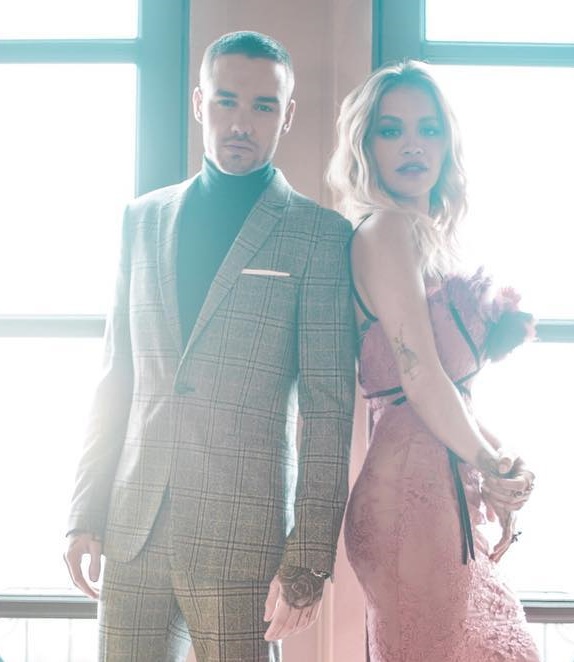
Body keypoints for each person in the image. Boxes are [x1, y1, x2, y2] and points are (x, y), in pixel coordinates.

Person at [63, 31, 356, 662]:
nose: (241, 122)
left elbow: (328, 411)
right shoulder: (141, 220)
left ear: (287, 114)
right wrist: (85, 511)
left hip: (242, 540)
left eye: (262, 105)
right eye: (226, 100)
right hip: (133, 526)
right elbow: (116, 377)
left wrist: (308, 560)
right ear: (200, 102)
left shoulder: (320, 236)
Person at [327, 60, 541, 661]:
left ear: (448, 143)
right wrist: (490, 462)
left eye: (428, 129)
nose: (412, 145)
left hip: (449, 496)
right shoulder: (385, 229)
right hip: (407, 502)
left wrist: (497, 465)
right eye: (390, 130)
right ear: (366, 145)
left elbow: (449, 390)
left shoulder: (429, 238)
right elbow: (418, 378)